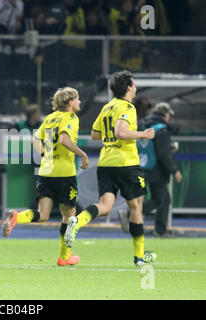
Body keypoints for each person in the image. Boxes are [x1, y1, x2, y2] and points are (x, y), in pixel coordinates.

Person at [64, 70, 157, 267]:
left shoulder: (107, 107)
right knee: (136, 207)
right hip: (126, 163)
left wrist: (113, 136)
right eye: (134, 84)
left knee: (105, 206)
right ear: (128, 88)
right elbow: (121, 132)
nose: (136, 87)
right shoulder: (127, 107)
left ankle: (77, 222)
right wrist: (142, 134)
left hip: (106, 163)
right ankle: (139, 256)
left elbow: (95, 134)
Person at [1, 87, 89, 266]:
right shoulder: (71, 118)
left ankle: (17, 216)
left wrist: (44, 154)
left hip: (45, 171)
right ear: (70, 102)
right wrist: (83, 155)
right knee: (69, 216)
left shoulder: (50, 118)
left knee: (42, 214)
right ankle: (64, 257)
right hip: (64, 173)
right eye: (78, 99)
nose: (80, 102)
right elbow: (64, 140)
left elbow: (35, 139)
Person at [140, 102, 182, 237]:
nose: (169, 117)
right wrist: (174, 170)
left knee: (160, 199)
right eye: (169, 114)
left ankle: (158, 228)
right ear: (164, 114)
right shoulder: (161, 130)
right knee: (162, 200)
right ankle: (159, 230)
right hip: (156, 170)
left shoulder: (145, 124)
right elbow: (163, 153)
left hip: (144, 166)